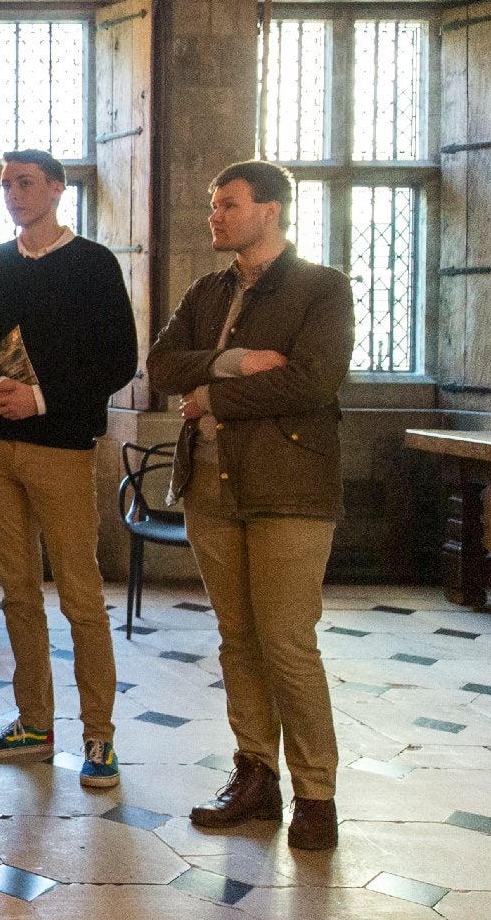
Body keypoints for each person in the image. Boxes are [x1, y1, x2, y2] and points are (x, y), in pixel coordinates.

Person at [146, 160, 354, 852]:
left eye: (228, 204)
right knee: (237, 639)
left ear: (270, 210)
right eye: (214, 205)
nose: (215, 216)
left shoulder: (321, 289)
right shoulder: (209, 290)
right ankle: (255, 774)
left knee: (287, 642)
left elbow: (313, 383)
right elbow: (162, 365)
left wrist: (213, 397)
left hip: (288, 487)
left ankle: (316, 793)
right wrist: (235, 365)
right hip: (211, 483)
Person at [0, 148, 138, 789]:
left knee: (81, 596)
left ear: (57, 190)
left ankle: (99, 737)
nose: (13, 194)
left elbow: (117, 358)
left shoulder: (93, 264)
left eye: (25, 183)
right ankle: (34, 723)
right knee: (17, 594)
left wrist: (42, 396)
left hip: (59, 445)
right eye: (5, 184)